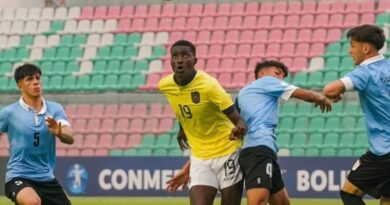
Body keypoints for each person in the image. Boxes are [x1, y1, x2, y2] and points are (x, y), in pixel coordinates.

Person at [159, 40, 248, 205]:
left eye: (185, 56)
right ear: (170, 60)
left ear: (195, 61)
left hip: (228, 152)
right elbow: (179, 106)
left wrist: (239, 129)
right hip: (200, 157)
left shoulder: (209, 86)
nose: (179, 60)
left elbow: (239, 120)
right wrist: (182, 129)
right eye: (175, 56)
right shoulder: (165, 85)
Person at [235, 60, 331, 205]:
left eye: (282, 76)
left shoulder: (242, 93)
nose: (280, 78)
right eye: (277, 73)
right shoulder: (267, 82)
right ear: (261, 74)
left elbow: (236, 122)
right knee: (258, 201)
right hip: (259, 148)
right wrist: (321, 98)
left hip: (256, 149)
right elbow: (303, 94)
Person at [323, 24, 390, 205]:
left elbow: (329, 90)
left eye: (352, 45)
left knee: (349, 193)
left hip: (384, 150)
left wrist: (338, 92)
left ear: (365, 48)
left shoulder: (365, 72)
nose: (349, 51)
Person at [0, 64, 74, 205]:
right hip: (18, 176)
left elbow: (70, 136)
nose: (36, 82)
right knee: (33, 202)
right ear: (20, 85)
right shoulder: (9, 113)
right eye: (29, 79)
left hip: (46, 178)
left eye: (38, 78)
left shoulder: (55, 109)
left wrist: (60, 133)